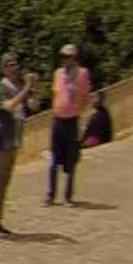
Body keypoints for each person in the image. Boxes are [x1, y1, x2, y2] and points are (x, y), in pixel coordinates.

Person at [0, 54, 30, 238]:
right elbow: (9, 106)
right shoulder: (0, 89)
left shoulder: (17, 88)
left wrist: (31, 90)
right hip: (2, 140)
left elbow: (32, 105)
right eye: (10, 65)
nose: (14, 67)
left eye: (16, 64)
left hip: (12, 140)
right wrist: (27, 88)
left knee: (4, 182)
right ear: (4, 69)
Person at [45, 44, 95, 207]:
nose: (65, 60)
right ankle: (50, 195)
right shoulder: (58, 74)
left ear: (74, 58)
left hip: (72, 121)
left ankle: (67, 195)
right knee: (53, 161)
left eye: (68, 57)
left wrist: (79, 111)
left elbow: (87, 97)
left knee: (70, 160)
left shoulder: (82, 74)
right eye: (63, 56)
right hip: (58, 120)